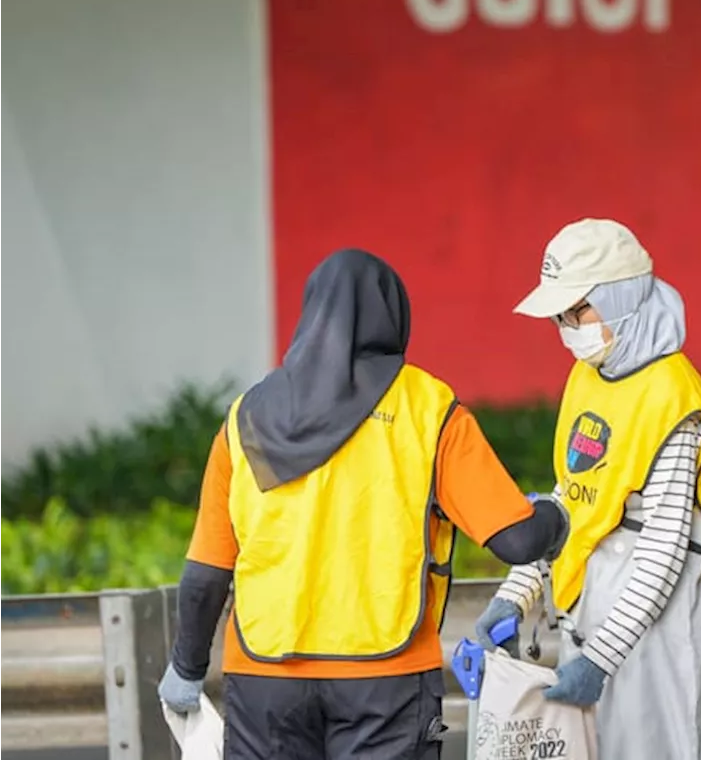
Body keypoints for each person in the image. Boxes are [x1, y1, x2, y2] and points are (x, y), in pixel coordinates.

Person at [156, 248, 569, 759]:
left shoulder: (245, 419)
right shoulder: (428, 409)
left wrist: (187, 669)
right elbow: (519, 539)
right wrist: (559, 515)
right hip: (388, 681)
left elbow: (206, 572)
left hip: (265, 681)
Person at [474, 217, 701, 760]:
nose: (570, 327)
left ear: (622, 298)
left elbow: (663, 551)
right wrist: (516, 593)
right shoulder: (590, 373)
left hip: (659, 621)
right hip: (597, 599)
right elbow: (572, 498)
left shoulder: (674, 398)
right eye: (561, 316)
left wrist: (602, 656)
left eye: (580, 310)